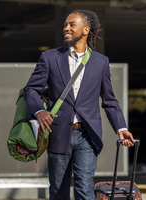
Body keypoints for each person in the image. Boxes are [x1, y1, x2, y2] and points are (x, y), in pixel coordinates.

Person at [23, 9, 135, 200]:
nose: (66, 28)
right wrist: (40, 111)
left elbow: (109, 100)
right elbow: (30, 90)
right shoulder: (50, 58)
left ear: (85, 29)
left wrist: (121, 127)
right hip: (58, 132)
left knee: (84, 189)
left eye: (71, 24)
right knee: (58, 191)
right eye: (65, 25)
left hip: (87, 135)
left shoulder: (100, 62)